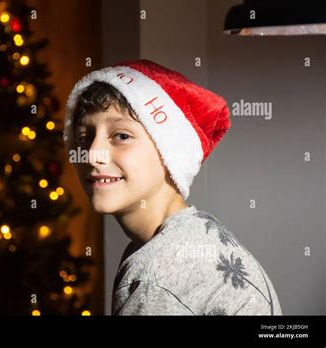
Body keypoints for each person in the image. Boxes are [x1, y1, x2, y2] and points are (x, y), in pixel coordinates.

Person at [63, 59, 282, 315]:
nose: (92, 155)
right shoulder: (187, 234)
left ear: (170, 152)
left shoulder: (157, 276)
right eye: (84, 138)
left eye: (121, 136)